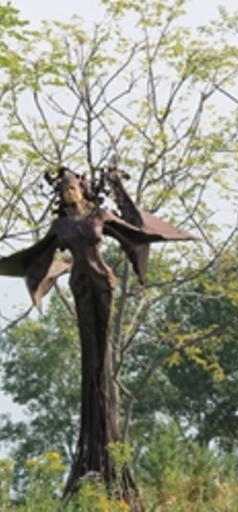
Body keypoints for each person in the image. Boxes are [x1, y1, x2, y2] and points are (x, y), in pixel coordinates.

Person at [0, 164, 194, 504]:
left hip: (102, 282)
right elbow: (38, 254)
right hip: (79, 285)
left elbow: (135, 230)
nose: (69, 193)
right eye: (64, 190)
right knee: (89, 359)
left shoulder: (100, 216)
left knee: (101, 361)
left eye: (73, 187)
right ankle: (94, 455)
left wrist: (119, 186)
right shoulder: (60, 225)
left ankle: (107, 458)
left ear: (83, 190)